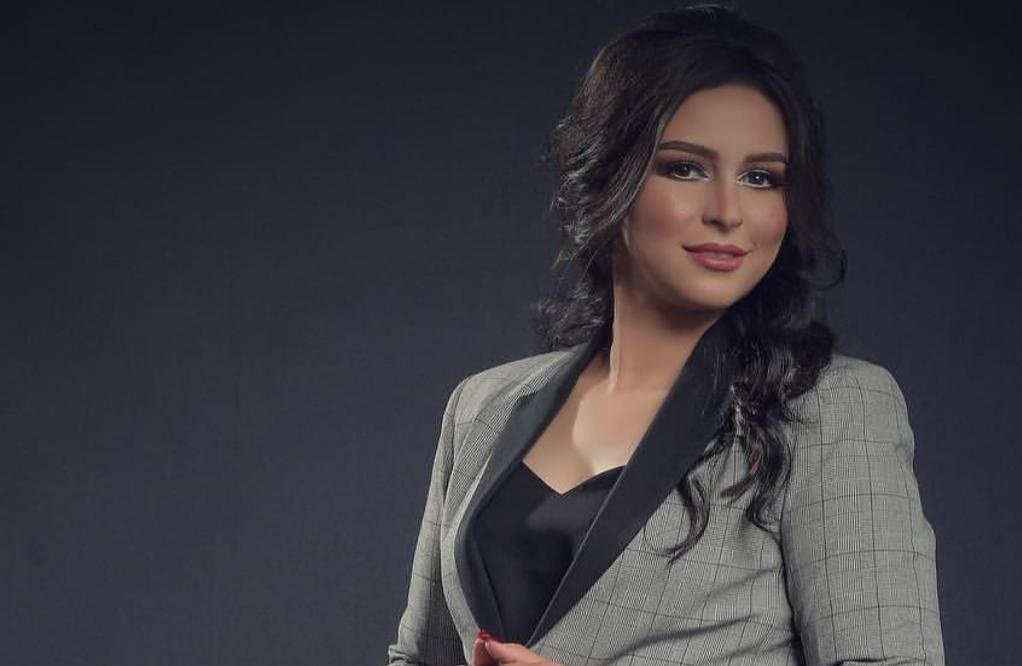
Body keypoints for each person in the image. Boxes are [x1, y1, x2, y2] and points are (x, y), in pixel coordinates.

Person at [387, 4, 944, 665]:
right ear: (607, 177)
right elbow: (419, 657)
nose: (728, 212)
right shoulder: (480, 406)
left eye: (761, 177)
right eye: (685, 167)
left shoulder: (833, 407)